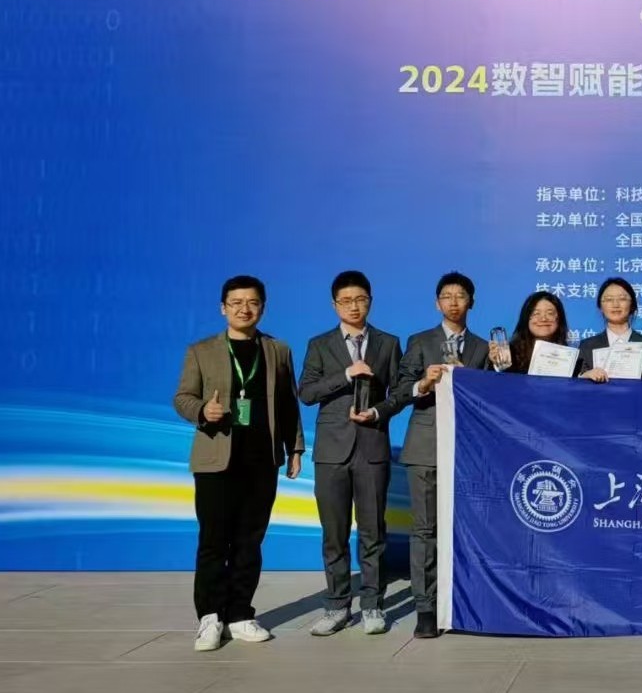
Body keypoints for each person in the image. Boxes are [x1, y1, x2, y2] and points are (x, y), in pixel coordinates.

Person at [172, 275, 304, 652]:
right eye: (236, 303)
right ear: (223, 308)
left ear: (262, 307)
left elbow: (288, 404)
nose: (245, 309)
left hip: (262, 460)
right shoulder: (201, 350)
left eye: (252, 302)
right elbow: (182, 397)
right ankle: (210, 616)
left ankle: (241, 614)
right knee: (214, 540)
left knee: (250, 540)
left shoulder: (278, 350)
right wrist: (203, 410)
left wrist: (295, 449)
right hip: (216, 460)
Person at [297, 271, 403, 637]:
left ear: (370, 301)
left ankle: (373, 604)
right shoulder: (320, 344)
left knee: (373, 532)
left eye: (360, 300)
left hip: (372, 447)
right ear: (334, 305)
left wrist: (377, 412)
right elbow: (306, 393)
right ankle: (337, 606)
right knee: (334, 534)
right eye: (346, 301)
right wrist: (346, 373)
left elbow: (399, 394)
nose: (354, 307)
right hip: (331, 452)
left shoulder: (388, 343)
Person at [394, 271, 489, 638]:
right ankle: (426, 607)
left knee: (467, 529)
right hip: (426, 446)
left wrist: (474, 380)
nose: (453, 302)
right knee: (425, 530)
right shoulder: (419, 342)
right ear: (437, 304)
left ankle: (464, 602)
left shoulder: (483, 347)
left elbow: (492, 400)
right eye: (446, 296)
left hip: (469, 450)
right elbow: (400, 390)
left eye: (460, 295)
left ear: (471, 302)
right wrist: (424, 382)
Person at [576, 277, 642, 381]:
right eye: (609, 299)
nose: (615, 305)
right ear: (600, 307)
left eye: (622, 299)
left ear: (632, 305)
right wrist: (585, 376)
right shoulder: (587, 346)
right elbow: (575, 384)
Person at [491, 291, 571, 373]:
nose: (543, 319)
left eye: (550, 313)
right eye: (536, 313)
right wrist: (498, 365)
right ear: (526, 319)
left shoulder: (569, 357)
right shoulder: (510, 354)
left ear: (559, 319)